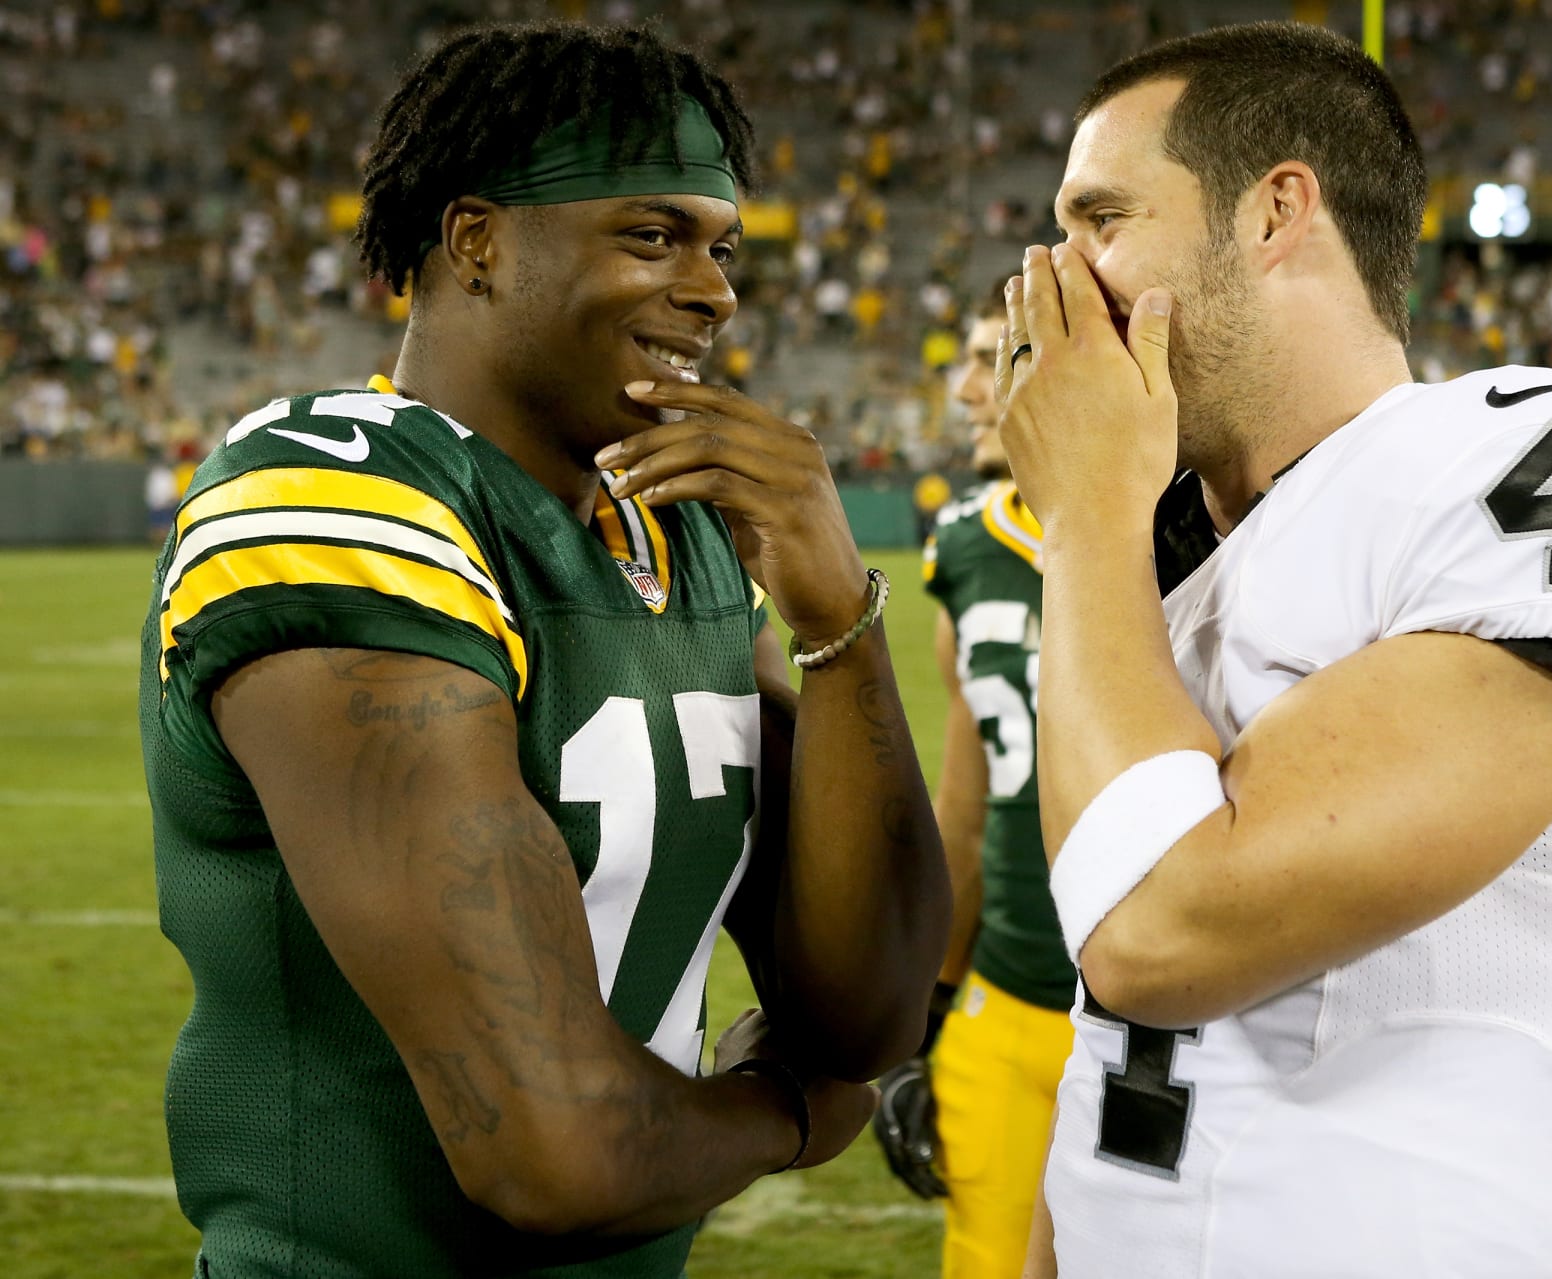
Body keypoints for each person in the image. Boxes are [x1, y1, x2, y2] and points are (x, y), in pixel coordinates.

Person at [137, 22, 949, 1278]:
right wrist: (783, 1113)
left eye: (722, 246)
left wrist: (841, 620)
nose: (715, 288)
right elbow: (553, 1155)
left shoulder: (671, 532)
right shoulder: (332, 496)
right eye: (651, 234)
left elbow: (865, 1006)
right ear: (476, 241)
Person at [994, 23, 1552, 1278]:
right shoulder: (1165, 547)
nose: (1059, 274)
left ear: (1276, 210)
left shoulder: (1525, 457)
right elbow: (1111, 1041)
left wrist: (1084, 522)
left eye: (1103, 219)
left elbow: (1165, 932)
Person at [873, 285, 1077, 1279]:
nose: (966, 392)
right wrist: (929, 1013)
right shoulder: (967, 545)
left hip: (1157, 1020)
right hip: (1006, 995)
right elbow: (965, 806)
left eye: (1000, 355)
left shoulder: (1193, 529)